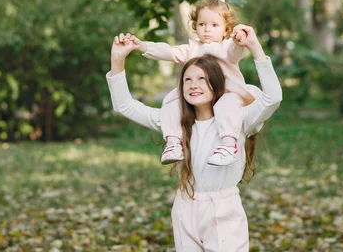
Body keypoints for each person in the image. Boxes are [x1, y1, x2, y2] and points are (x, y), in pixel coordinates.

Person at [107, 26, 282, 251]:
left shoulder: (238, 119)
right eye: (187, 80)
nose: (193, 85)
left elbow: (273, 98)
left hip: (223, 210)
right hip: (185, 208)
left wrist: (255, 47)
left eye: (202, 79)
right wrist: (117, 60)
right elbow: (125, 106)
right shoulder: (174, 122)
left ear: (217, 84)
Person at [126, 0, 255, 166]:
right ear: (195, 26)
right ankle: (173, 142)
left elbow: (237, 51)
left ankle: (228, 144)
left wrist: (239, 40)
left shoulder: (227, 48)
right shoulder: (192, 49)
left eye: (214, 25)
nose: (207, 29)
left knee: (228, 104)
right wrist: (143, 46)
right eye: (202, 24)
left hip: (225, 91)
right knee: (171, 102)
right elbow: (170, 51)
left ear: (226, 29)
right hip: (199, 94)